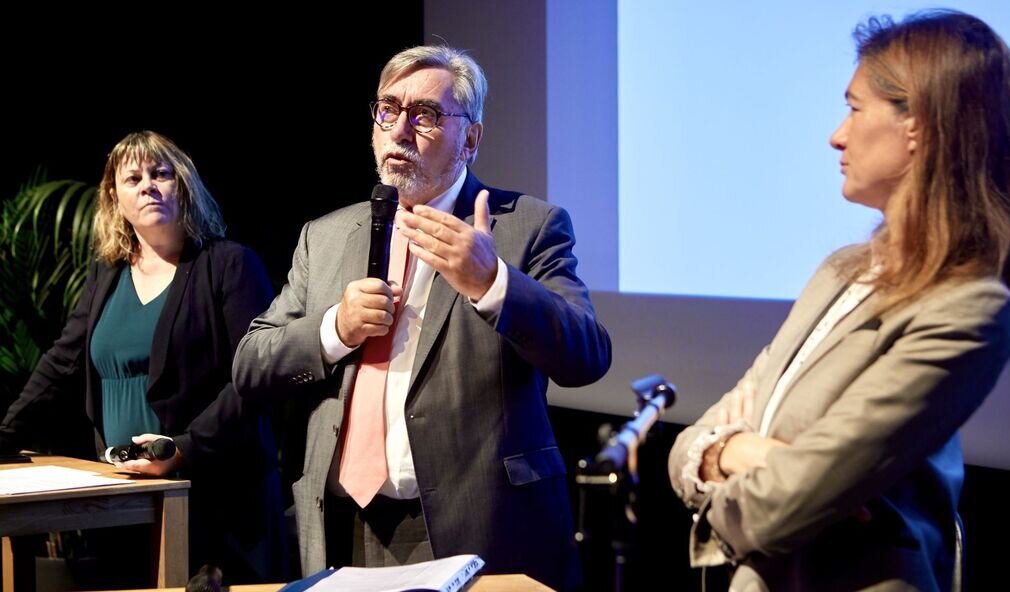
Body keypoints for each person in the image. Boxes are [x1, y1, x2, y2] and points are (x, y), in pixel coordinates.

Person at [668, 10, 1010, 592]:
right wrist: (739, 451)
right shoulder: (841, 270)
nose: (836, 134)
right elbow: (688, 446)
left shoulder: (969, 308)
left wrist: (723, 459)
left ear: (918, 125)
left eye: (854, 107)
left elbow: (789, 501)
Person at [233, 45, 611, 590]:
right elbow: (251, 363)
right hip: (342, 523)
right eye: (388, 111)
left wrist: (493, 283)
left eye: (426, 116)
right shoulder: (327, 234)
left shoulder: (527, 225)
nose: (400, 131)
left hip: (473, 525)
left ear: (471, 139)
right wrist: (335, 329)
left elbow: (588, 354)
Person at [0, 131, 286, 585]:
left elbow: (257, 379)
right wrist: (5, 434)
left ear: (184, 184)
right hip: (124, 501)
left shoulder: (229, 265)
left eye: (161, 173)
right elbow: (61, 362)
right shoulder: (107, 274)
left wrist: (182, 450)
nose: (148, 185)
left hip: (216, 501)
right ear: (116, 196)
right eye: (133, 178)